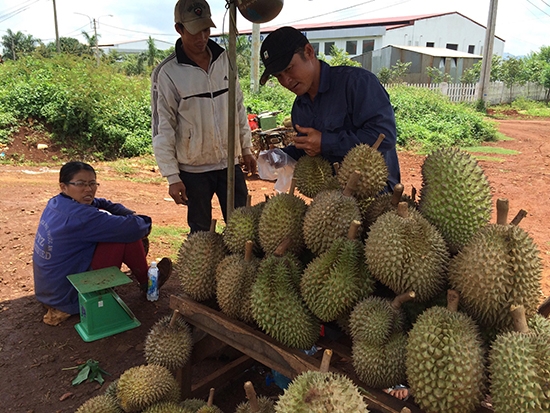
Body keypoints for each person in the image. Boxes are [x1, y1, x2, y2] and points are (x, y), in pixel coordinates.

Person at [151, 0, 257, 233]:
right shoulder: (168, 73)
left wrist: (246, 149)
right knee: (200, 230)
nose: (201, 37)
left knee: (243, 226)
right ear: (179, 28)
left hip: (229, 162)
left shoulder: (225, 60)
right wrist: (172, 176)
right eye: (194, 31)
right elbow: (163, 127)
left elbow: (238, 107)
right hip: (194, 168)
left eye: (206, 30)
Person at [259, 26, 401, 191]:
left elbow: (385, 136)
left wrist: (326, 142)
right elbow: (312, 151)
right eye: (279, 77)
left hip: (375, 196)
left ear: (309, 52)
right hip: (334, 203)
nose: (286, 81)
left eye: (289, 69)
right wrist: (282, 156)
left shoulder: (357, 83)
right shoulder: (300, 108)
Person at [32, 162, 172, 326]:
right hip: (69, 297)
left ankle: (144, 277)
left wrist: (122, 211)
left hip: (49, 293)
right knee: (126, 236)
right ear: (64, 186)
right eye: (81, 184)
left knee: (119, 231)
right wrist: (137, 219)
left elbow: (98, 202)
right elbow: (136, 227)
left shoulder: (57, 203)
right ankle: (147, 283)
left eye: (92, 183)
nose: (88, 189)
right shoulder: (83, 217)